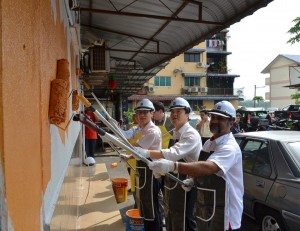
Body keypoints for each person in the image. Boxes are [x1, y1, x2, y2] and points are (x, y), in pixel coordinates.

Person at [148, 101, 244, 231]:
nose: (215, 121)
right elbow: (202, 171)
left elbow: (209, 167)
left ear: (231, 123)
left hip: (227, 214)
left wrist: (173, 166)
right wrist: (192, 180)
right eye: (213, 117)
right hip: (208, 207)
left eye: (220, 118)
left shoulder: (230, 147)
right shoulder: (209, 144)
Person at [136, 97, 202, 231]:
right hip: (174, 183)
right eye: (172, 112)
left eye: (179, 111)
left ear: (187, 114)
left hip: (187, 183)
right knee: (171, 215)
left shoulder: (191, 134)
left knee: (186, 220)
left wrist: (147, 153)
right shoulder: (175, 133)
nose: (175, 114)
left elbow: (173, 153)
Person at [129, 99, 163, 231]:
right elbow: (138, 151)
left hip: (151, 175)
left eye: (145, 112)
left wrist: (118, 139)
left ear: (152, 114)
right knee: (147, 206)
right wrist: (128, 156)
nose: (141, 115)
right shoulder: (143, 129)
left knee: (151, 210)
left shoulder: (152, 131)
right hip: (145, 173)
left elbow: (137, 149)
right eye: (139, 113)